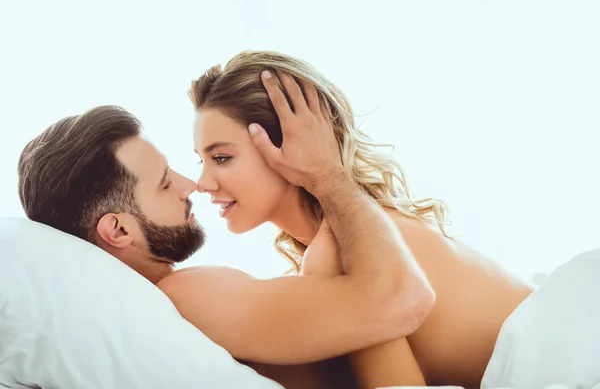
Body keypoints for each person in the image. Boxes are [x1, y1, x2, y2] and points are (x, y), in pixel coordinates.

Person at [177, 50, 535, 389]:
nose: (203, 183)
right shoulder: (369, 228)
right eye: (201, 160)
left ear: (289, 144)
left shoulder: (340, 254)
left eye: (221, 157)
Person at [17, 102, 433, 387]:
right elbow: (403, 300)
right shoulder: (187, 294)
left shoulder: (156, 313)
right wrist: (329, 178)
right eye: (165, 183)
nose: (190, 184)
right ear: (119, 231)